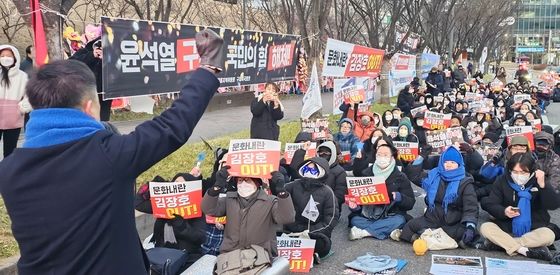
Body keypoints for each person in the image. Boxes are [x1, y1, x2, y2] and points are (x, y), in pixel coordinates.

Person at [0, 29, 224, 274]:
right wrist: (209, 66)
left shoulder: (9, 170)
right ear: (88, 107)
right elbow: (173, 125)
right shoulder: (109, 156)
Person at [201, 167, 295, 266]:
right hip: (231, 256)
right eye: (240, 181)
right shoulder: (229, 199)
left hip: (260, 258)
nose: (243, 184)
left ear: (257, 183)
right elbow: (208, 209)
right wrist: (217, 187)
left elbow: (287, 217)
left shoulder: (270, 201)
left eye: (247, 180)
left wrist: (282, 192)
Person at [392, 146, 479, 248]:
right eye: (446, 162)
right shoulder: (434, 175)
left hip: (453, 222)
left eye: (453, 162)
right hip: (432, 218)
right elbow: (414, 175)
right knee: (410, 226)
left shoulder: (465, 182)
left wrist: (470, 226)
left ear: (459, 164)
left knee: (464, 234)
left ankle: (426, 237)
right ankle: (427, 239)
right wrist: (421, 156)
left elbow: (471, 207)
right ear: (442, 162)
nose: (449, 165)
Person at [479, 152, 560, 261]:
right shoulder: (502, 180)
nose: (518, 175)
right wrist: (504, 211)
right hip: (507, 226)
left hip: (535, 227)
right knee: (485, 227)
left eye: (523, 172)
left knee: (549, 235)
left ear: (532, 171)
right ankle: (524, 250)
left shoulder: (538, 181)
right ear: (509, 170)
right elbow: (491, 203)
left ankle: (502, 244)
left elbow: (553, 204)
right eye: (515, 172)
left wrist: (543, 185)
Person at [135, 174, 207, 269]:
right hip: (162, 256)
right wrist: (150, 186)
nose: (177, 186)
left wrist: (182, 226)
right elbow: (138, 203)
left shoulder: (196, 208)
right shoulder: (163, 204)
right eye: (175, 183)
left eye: (181, 185)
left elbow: (200, 237)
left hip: (186, 259)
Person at [348, 144, 415, 240]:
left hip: (391, 215)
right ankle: (385, 230)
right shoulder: (366, 173)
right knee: (355, 220)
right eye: (379, 154)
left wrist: (400, 198)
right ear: (375, 156)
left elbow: (411, 203)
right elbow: (359, 202)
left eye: (385, 155)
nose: (382, 158)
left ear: (392, 158)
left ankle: (364, 232)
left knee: (399, 220)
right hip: (369, 215)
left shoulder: (400, 177)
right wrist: (355, 207)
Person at [284, 157, 339, 261]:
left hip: (315, 233)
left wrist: (309, 232)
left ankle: (310, 254)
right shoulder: (291, 186)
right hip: (291, 231)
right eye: (306, 169)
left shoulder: (328, 192)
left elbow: (331, 219)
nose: (309, 172)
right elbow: (280, 203)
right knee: (273, 237)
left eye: (313, 170)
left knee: (322, 244)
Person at [70, 37, 112, 121]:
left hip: (105, 94)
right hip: (86, 93)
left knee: (103, 120)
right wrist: (92, 55)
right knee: (86, 119)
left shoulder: (113, 53)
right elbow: (70, 64)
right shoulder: (85, 51)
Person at [0, 44, 31, 158]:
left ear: (15, 57)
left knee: (10, 152)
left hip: (13, 120)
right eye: (2, 56)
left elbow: (29, 96)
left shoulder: (22, 76)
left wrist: (21, 108)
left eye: (8, 55)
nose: (5, 58)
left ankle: (7, 174)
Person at [317, 141, 348, 213]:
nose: (323, 154)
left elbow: (341, 194)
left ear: (333, 153)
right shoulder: (314, 168)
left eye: (327, 153)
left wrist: (326, 203)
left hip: (331, 209)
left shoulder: (340, 172)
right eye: (321, 152)